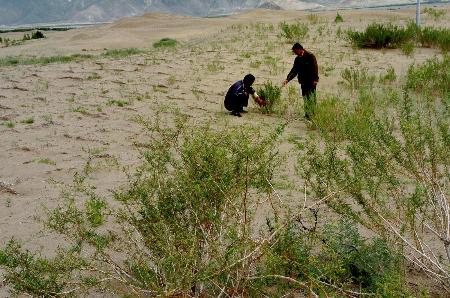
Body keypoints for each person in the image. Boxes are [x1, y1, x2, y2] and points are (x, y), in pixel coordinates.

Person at [283, 43, 319, 120]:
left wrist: (316, 79)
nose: (294, 53)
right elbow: (294, 70)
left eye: (295, 51)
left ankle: (312, 115)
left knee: (312, 98)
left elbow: (315, 68)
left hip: (311, 82)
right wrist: (287, 79)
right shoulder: (297, 59)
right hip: (303, 82)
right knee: (305, 98)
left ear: (300, 49)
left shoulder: (310, 56)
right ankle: (307, 115)